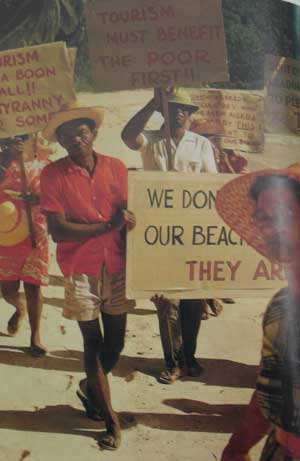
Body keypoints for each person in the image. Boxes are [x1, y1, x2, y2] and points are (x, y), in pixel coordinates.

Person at [40, 105, 136, 451]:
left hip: (118, 265)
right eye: (67, 135)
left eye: (82, 132)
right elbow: (58, 230)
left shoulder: (117, 167)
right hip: (80, 267)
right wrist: (108, 226)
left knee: (117, 344)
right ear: (61, 141)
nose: (76, 139)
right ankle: (109, 418)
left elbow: (130, 213)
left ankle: (89, 387)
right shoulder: (52, 175)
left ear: (94, 133)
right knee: (92, 345)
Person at [121, 87, 217, 384]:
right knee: (166, 303)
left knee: (193, 301)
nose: (178, 112)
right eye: (171, 107)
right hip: (158, 235)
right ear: (163, 111)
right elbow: (127, 136)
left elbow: (213, 190)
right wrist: (154, 100)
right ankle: (172, 362)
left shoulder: (201, 145)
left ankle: (190, 355)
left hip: (193, 234)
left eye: (183, 109)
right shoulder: (150, 140)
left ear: (190, 115)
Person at [216, 164, 300, 460]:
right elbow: (271, 389)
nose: (269, 227)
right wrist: (237, 447)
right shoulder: (280, 307)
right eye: (262, 218)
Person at [0, 134, 48, 356]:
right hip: (5, 232)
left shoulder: (43, 166)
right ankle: (18, 308)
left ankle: (35, 335)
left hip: (35, 231)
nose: (17, 142)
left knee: (33, 284)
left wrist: (39, 199)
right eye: (10, 139)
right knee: (8, 289)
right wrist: (9, 158)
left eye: (23, 137)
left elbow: (55, 194)